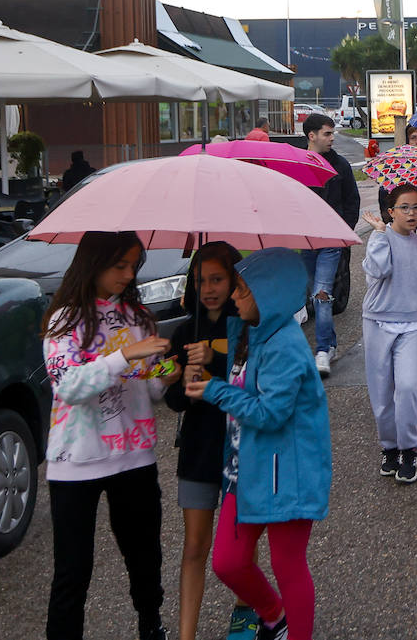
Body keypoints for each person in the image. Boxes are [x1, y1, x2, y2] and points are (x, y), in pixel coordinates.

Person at [183, 248, 332, 640]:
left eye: (243, 289)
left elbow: (270, 414)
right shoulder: (248, 331)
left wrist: (215, 390)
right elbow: (237, 376)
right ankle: (273, 615)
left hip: (287, 474)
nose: (234, 295)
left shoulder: (286, 345)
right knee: (228, 563)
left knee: (288, 566)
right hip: (245, 468)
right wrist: (207, 362)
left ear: (271, 294)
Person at [41, 231, 176, 640]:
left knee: (144, 558)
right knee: (72, 571)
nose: (128, 274)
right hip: (75, 462)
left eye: (134, 265)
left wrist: (170, 371)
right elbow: (66, 385)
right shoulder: (64, 319)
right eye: (120, 265)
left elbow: (149, 389)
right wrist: (122, 356)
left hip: (134, 457)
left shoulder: (139, 318)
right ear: (93, 263)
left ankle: (151, 625)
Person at [163, 242, 258, 640]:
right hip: (200, 450)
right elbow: (171, 398)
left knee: (239, 552)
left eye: (218, 279)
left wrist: (215, 360)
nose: (209, 288)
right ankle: (187, 634)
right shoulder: (185, 331)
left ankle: (245, 612)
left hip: (242, 451)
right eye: (201, 280)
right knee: (194, 547)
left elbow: (252, 381)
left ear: (235, 279)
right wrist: (180, 380)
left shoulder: (250, 326)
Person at [360, 185, 417, 484]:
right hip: (377, 321)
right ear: (391, 211)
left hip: (411, 322)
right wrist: (377, 234)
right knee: (381, 392)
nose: (412, 213)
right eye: (405, 207)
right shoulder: (380, 237)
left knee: (406, 387)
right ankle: (389, 448)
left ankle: (410, 450)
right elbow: (379, 269)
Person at [302, 113, 359, 377]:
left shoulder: (341, 165)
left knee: (321, 293)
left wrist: (342, 232)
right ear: (311, 135)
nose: (332, 137)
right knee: (315, 294)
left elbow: (352, 201)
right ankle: (331, 344)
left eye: (332, 132)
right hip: (305, 239)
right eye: (327, 133)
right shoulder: (298, 164)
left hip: (331, 239)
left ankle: (323, 349)